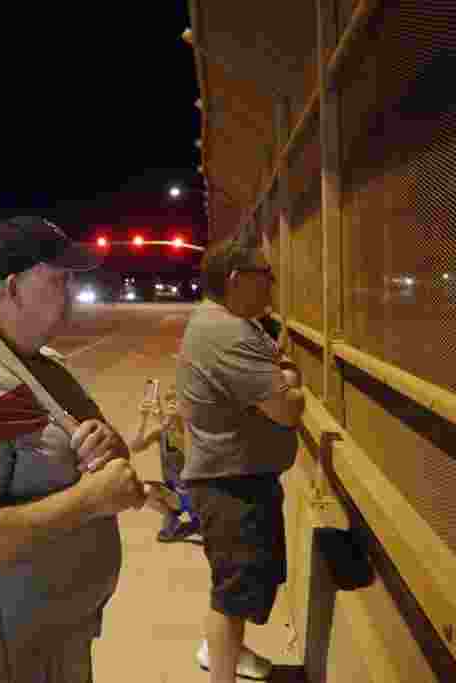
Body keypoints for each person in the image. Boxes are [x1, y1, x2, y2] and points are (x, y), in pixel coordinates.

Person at [0, 216, 157, 683]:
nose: (69, 293)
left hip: (57, 631)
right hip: (8, 648)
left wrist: (107, 447)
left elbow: (108, 461)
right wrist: (91, 499)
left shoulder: (45, 366)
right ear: (13, 287)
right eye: (58, 279)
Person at [176, 234, 305, 683]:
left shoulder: (237, 323)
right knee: (232, 596)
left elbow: (277, 373)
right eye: (265, 276)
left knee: (239, 590)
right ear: (236, 279)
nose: (272, 284)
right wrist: (289, 377)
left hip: (237, 477)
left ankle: (225, 652)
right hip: (230, 483)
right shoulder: (226, 331)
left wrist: (283, 374)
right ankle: (221, 668)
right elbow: (288, 408)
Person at [128, 380, 200, 542]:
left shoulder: (192, 429)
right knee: (143, 490)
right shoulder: (160, 431)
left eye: (176, 400)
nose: (172, 405)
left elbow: (182, 445)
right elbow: (135, 447)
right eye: (169, 401)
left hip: (197, 496)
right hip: (174, 495)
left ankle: (199, 521)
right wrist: (143, 418)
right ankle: (172, 519)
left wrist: (162, 421)